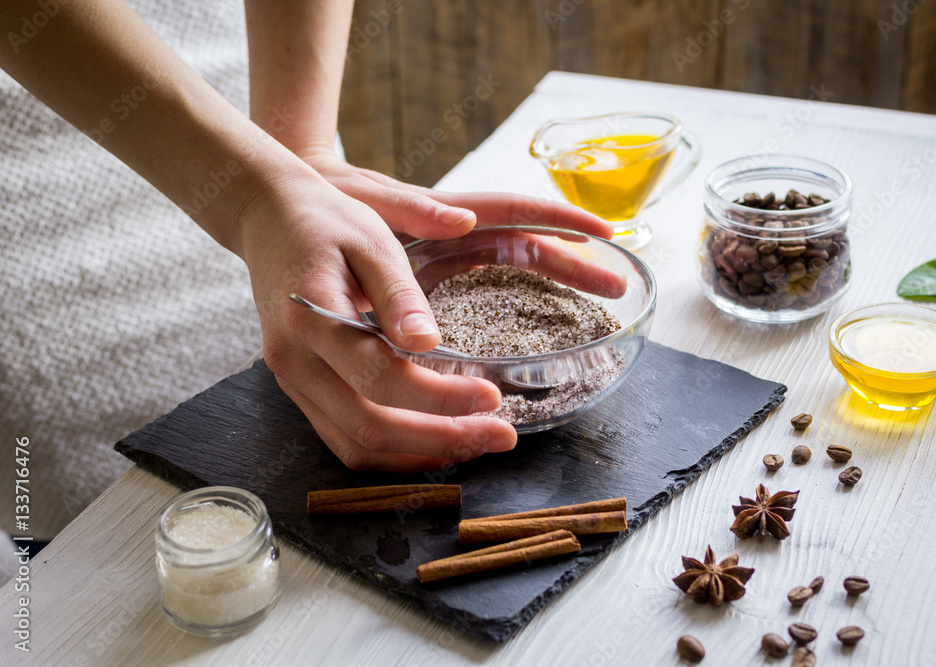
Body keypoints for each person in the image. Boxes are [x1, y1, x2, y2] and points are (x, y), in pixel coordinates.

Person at [0, 0, 611, 568]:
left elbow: (285, 182)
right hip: (30, 201)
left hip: (259, 108)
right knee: (115, 559)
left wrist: (298, 153)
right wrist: (253, 193)